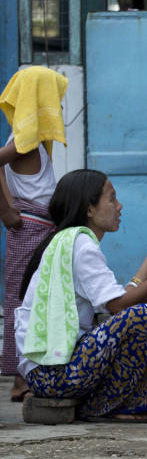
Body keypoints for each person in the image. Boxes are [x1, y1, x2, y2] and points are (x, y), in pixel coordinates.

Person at [14, 169, 147, 422]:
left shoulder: (68, 241)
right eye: (111, 199)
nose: (119, 206)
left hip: (49, 373)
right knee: (143, 316)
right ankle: (106, 406)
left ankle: (121, 402)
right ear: (89, 209)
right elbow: (120, 307)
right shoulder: (81, 246)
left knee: (139, 315)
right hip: (53, 376)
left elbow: (121, 300)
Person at [0, 66, 67, 402]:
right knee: (22, 300)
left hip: (37, 228)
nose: (59, 109)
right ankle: (20, 379)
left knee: (30, 298)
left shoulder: (29, 141)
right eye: (54, 102)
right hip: (31, 229)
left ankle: (24, 377)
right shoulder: (23, 143)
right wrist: (7, 211)